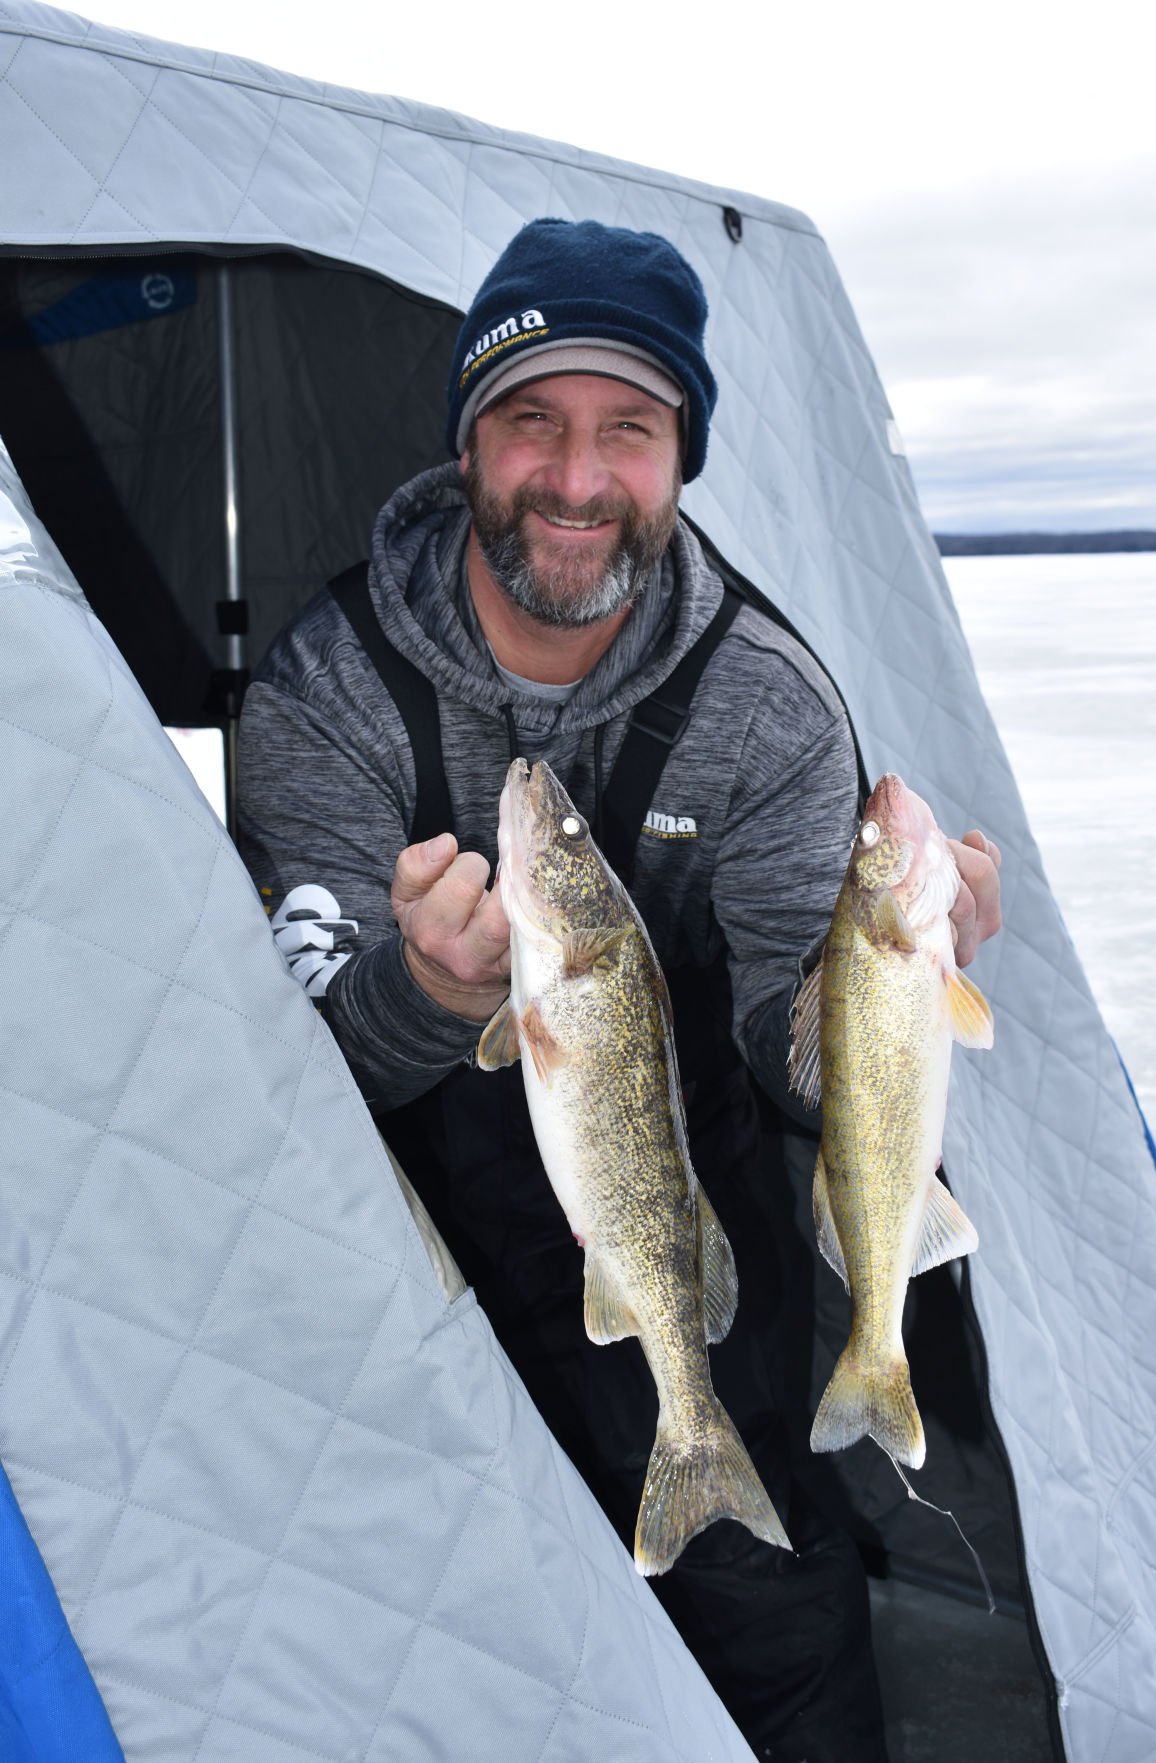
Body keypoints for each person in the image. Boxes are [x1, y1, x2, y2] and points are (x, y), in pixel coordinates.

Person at [237, 217, 1002, 1762]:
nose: (576, 480)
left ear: (679, 460)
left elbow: (798, 1059)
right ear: (468, 442)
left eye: (628, 433)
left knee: (772, 1624)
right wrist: (432, 997)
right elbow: (288, 1053)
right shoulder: (325, 689)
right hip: (407, 1254)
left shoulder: (766, 706)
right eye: (530, 420)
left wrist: (891, 975)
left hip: (688, 1228)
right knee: (449, 1636)